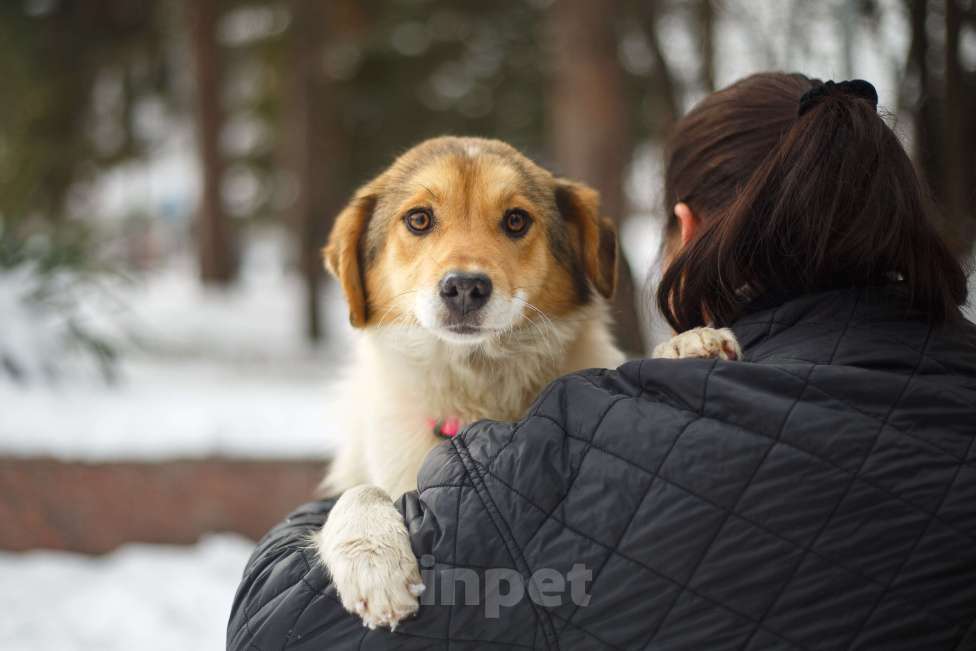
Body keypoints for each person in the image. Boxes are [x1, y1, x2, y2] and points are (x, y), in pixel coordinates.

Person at [227, 73, 976, 650]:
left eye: (514, 222)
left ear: (682, 229)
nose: (463, 267)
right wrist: (360, 505)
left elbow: (280, 630)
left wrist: (329, 517)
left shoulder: (592, 441)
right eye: (419, 223)